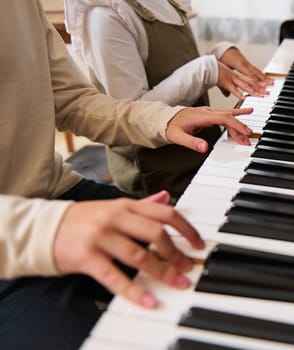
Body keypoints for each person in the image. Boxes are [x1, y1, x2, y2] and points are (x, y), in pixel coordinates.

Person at [0, 1, 254, 349]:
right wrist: (47, 230)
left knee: (222, 262)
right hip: (13, 236)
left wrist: (163, 119)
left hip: (56, 196)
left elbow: (71, 100)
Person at [65, 0, 274, 200]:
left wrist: (216, 55)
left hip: (200, 154)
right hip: (160, 177)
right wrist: (206, 69)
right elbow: (134, 110)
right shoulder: (103, 15)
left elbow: (171, 68)